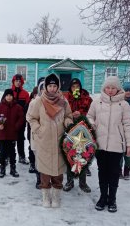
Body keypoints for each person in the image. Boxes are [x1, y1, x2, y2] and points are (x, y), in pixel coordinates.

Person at [87, 76, 130, 212]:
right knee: (102, 172)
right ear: (104, 88)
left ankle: (112, 199)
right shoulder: (97, 102)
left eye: (113, 88)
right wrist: (92, 124)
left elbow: (128, 125)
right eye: (108, 87)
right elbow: (89, 116)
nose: (110, 90)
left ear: (118, 89)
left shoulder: (124, 105)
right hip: (100, 145)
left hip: (116, 145)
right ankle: (103, 197)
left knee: (114, 174)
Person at [26, 73, 73, 208]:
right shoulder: (38, 101)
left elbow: (68, 116)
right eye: (50, 86)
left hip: (60, 142)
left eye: (55, 86)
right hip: (44, 142)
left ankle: (56, 197)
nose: (52, 88)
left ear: (58, 87)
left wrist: (68, 123)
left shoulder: (63, 102)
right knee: (45, 173)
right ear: (46, 87)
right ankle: (46, 197)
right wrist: (39, 130)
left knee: (58, 173)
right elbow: (31, 117)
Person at [63, 78, 93, 193]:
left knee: (82, 155)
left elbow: (91, 113)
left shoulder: (87, 98)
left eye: (77, 86)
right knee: (69, 155)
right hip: (70, 130)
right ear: (70, 88)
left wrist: (81, 114)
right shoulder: (65, 98)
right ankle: (69, 181)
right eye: (73, 87)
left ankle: (83, 182)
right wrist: (71, 115)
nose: (75, 89)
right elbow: (62, 112)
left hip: (83, 131)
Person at [0, 89, 25, 178]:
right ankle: (2, 168)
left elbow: (21, 118)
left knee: (12, 152)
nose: (9, 97)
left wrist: (16, 126)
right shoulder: (0, 106)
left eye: (10, 95)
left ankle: (13, 168)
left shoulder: (17, 107)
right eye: (7, 95)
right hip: (3, 134)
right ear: (4, 96)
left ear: (13, 96)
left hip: (12, 134)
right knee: (3, 152)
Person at [26, 77, 45, 189]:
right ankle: (39, 179)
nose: (44, 91)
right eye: (41, 89)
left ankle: (45, 178)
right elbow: (29, 117)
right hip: (36, 134)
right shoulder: (34, 102)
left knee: (46, 158)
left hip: (48, 136)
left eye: (45, 88)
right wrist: (37, 126)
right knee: (38, 157)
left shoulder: (53, 102)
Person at [11, 74, 30, 165]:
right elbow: (3, 106)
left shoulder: (25, 94)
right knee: (9, 139)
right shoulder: (9, 92)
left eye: (20, 81)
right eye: (16, 81)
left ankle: (21, 156)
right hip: (10, 121)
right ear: (13, 82)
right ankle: (8, 156)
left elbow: (28, 108)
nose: (18, 83)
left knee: (20, 139)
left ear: (22, 82)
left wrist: (24, 118)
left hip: (21, 121)